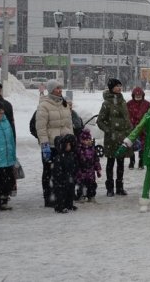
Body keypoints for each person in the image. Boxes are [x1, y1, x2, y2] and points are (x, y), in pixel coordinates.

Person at [35, 79, 73, 207]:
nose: (60, 90)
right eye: (57, 88)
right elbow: (41, 127)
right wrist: (44, 144)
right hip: (51, 145)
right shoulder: (44, 106)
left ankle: (62, 196)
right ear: (51, 90)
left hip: (64, 145)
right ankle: (50, 197)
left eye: (60, 88)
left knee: (63, 172)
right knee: (49, 172)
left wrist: (71, 139)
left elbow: (69, 124)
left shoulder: (64, 104)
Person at [97, 78, 131, 197]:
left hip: (122, 137)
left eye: (120, 86)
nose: (119, 88)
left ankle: (120, 187)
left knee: (121, 163)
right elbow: (100, 121)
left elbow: (127, 120)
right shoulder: (106, 103)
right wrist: (109, 131)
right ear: (111, 88)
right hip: (111, 139)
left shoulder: (123, 101)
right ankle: (110, 188)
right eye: (117, 86)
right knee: (110, 163)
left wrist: (129, 132)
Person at [51, 134, 77, 213]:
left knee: (70, 191)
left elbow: (74, 165)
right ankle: (60, 206)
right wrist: (61, 177)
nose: (69, 146)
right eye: (67, 144)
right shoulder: (59, 157)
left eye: (70, 144)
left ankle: (69, 204)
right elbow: (57, 170)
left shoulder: (71, 155)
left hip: (70, 177)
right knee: (61, 193)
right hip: (61, 179)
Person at [127, 87, 150, 170]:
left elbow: (149, 115)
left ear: (142, 95)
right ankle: (132, 161)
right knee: (131, 145)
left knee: (143, 146)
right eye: (136, 95)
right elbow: (127, 115)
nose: (138, 96)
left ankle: (141, 162)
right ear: (133, 95)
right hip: (132, 128)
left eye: (140, 94)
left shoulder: (147, 104)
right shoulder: (129, 104)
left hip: (143, 128)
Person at [75, 129, 102, 203]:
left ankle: (91, 196)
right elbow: (76, 160)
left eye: (89, 139)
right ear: (82, 140)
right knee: (81, 185)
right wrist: (77, 169)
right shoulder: (79, 150)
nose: (88, 141)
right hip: (81, 172)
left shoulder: (93, 149)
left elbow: (96, 160)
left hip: (91, 172)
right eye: (86, 140)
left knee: (92, 185)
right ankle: (81, 196)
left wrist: (98, 169)